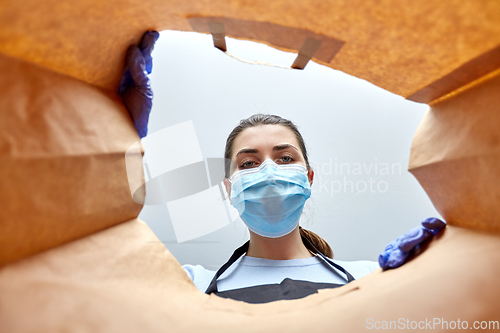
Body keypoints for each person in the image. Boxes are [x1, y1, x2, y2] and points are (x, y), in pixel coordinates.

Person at [119, 31, 446, 304]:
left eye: (285, 158)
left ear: (309, 177)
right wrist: (117, 133)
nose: (269, 172)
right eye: (248, 163)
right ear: (228, 188)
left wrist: (424, 276)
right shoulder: (190, 285)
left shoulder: (370, 279)